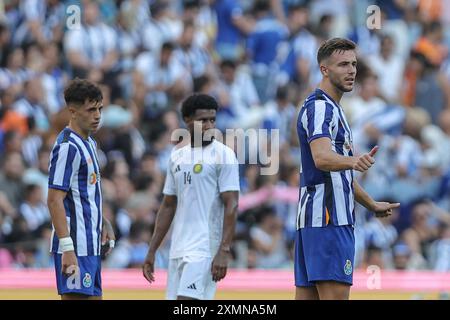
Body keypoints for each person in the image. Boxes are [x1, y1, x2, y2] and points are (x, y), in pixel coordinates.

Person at [295, 38, 400, 300]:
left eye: (353, 64)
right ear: (324, 69)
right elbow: (321, 158)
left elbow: (337, 175)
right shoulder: (321, 107)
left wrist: (371, 203)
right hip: (330, 221)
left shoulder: (334, 109)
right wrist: (354, 161)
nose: (351, 70)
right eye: (343, 64)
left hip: (316, 221)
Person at [142, 93, 240, 300]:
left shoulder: (223, 155)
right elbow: (168, 205)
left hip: (205, 249)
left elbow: (231, 204)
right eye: (203, 120)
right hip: (178, 249)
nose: (209, 125)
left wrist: (224, 250)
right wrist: (152, 250)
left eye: (212, 120)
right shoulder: (177, 156)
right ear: (187, 120)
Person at [47, 78, 115, 300]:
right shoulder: (68, 147)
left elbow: (84, 193)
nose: (97, 115)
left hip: (91, 244)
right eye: (91, 109)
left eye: (100, 109)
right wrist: (67, 248)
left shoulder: (90, 143)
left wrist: (102, 222)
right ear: (73, 111)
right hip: (74, 247)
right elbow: (54, 200)